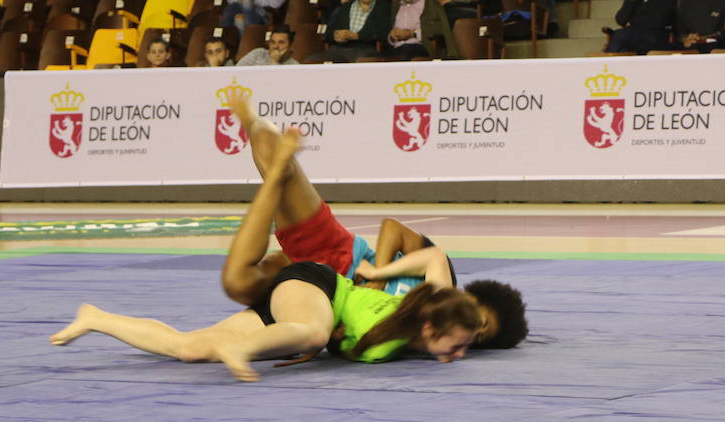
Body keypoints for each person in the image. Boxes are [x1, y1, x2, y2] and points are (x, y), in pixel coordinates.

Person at [50, 130, 484, 382]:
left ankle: (96, 317)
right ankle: (239, 346)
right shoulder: (410, 312)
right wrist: (377, 270)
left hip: (296, 310)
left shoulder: (406, 338)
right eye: (459, 344)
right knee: (313, 332)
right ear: (430, 326)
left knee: (188, 349)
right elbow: (434, 258)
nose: (461, 353)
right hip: (316, 284)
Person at [222, 96, 527, 351]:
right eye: (481, 321)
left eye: (480, 337)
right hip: (336, 254)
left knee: (238, 284)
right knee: (269, 149)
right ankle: (253, 126)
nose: (474, 331)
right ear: (472, 298)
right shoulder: (438, 277)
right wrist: (379, 277)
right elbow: (392, 228)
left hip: (320, 295)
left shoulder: (420, 337)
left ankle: (273, 185)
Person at [316, 0, 392, 61]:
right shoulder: (345, 7)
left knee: (360, 63)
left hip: (365, 51)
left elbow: (383, 33)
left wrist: (356, 36)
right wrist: (336, 35)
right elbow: (329, 33)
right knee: (314, 60)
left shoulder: (383, 8)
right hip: (339, 49)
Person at [387, 0, 452, 59]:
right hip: (396, 49)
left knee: (404, 54)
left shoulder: (431, 4)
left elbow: (441, 29)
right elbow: (386, 34)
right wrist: (392, 36)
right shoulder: (395, 7)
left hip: (421, 48)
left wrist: (413, 33)